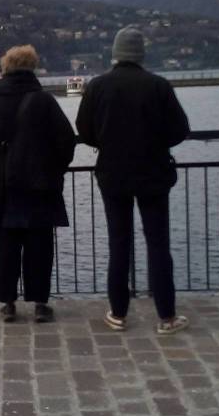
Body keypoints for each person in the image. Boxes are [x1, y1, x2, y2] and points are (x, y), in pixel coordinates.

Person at [76, 26, 191, 335]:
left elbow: (84, 130)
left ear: (115, 54)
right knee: (158, 244)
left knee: (119, 243)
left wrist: (106, 140)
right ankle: (166, 316)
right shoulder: (158, 86)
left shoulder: (98, 87)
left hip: (112, 174)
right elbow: (180, 129)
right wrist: (155, 142)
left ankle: (118, 313)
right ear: (141, 54)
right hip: (153, 173)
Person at [0, 45, 75, 323]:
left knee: (8, 243)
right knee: (40, 244)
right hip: (41, 185)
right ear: (33, 67)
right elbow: (66, 141)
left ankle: (9, 303)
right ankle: (40, 304)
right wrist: (54, 169)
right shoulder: (44, 100)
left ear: (6, 67)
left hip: (4, 184)